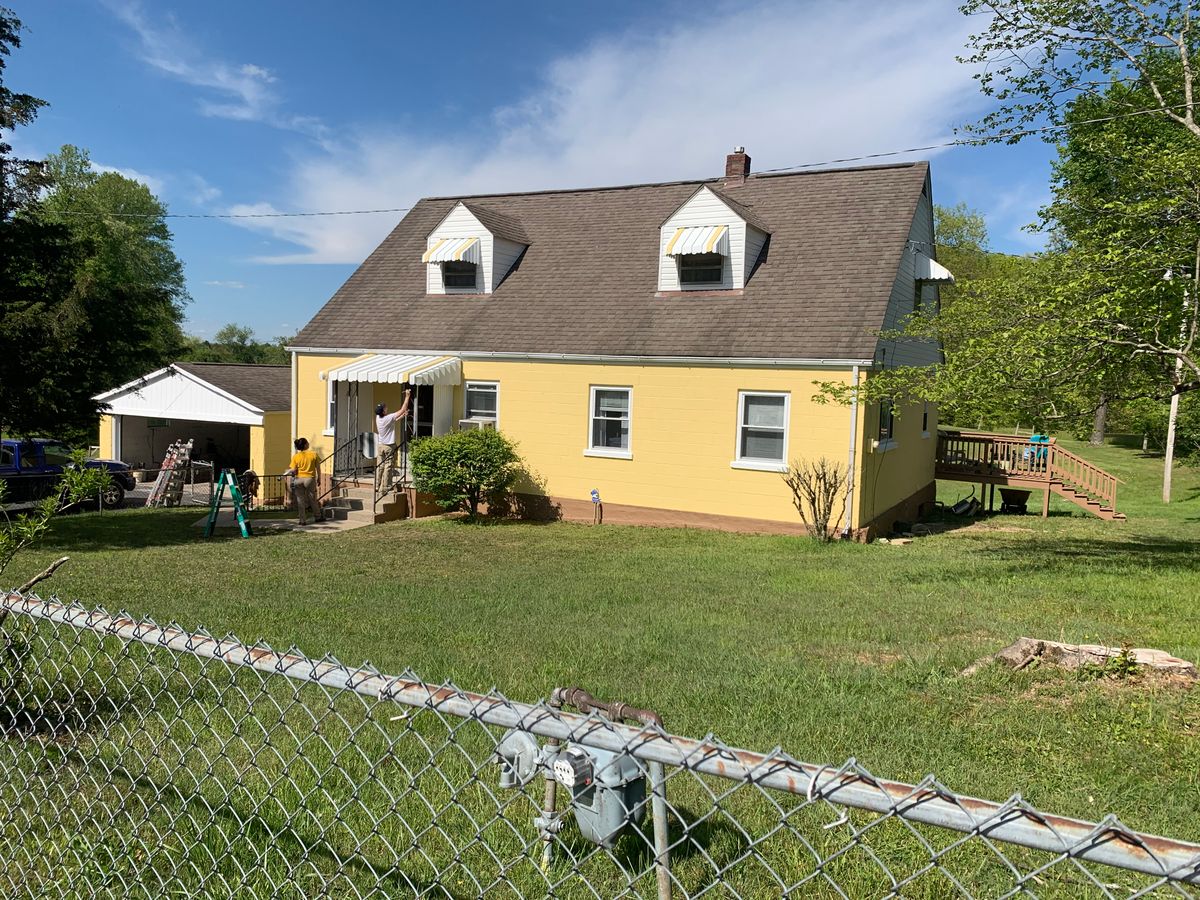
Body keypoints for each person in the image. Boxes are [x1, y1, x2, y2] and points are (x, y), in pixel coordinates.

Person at [375, 387, 413, 489]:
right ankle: (386, 486)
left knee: (380, 466)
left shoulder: (378, 418)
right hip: (389, 446)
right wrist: (407, 396)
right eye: (385, 407)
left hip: (380, 445)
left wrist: (403, 416)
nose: (386, 408)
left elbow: (393, 420)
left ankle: (377, 485)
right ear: (383, 411)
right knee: (388, 466)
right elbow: (403, 409)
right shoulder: (388, 417)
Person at [285, 437, 321, 525]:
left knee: (300, 500)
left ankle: (302, 520)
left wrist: (287, 472)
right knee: (312, 499)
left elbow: (293, 470)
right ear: (305, 445)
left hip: (298, 479)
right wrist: (319, 477)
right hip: (309, 479)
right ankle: (318, 516)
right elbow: (318, 468)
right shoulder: (314, 454)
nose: (308, 444)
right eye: (307, 442)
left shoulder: (296, 456)